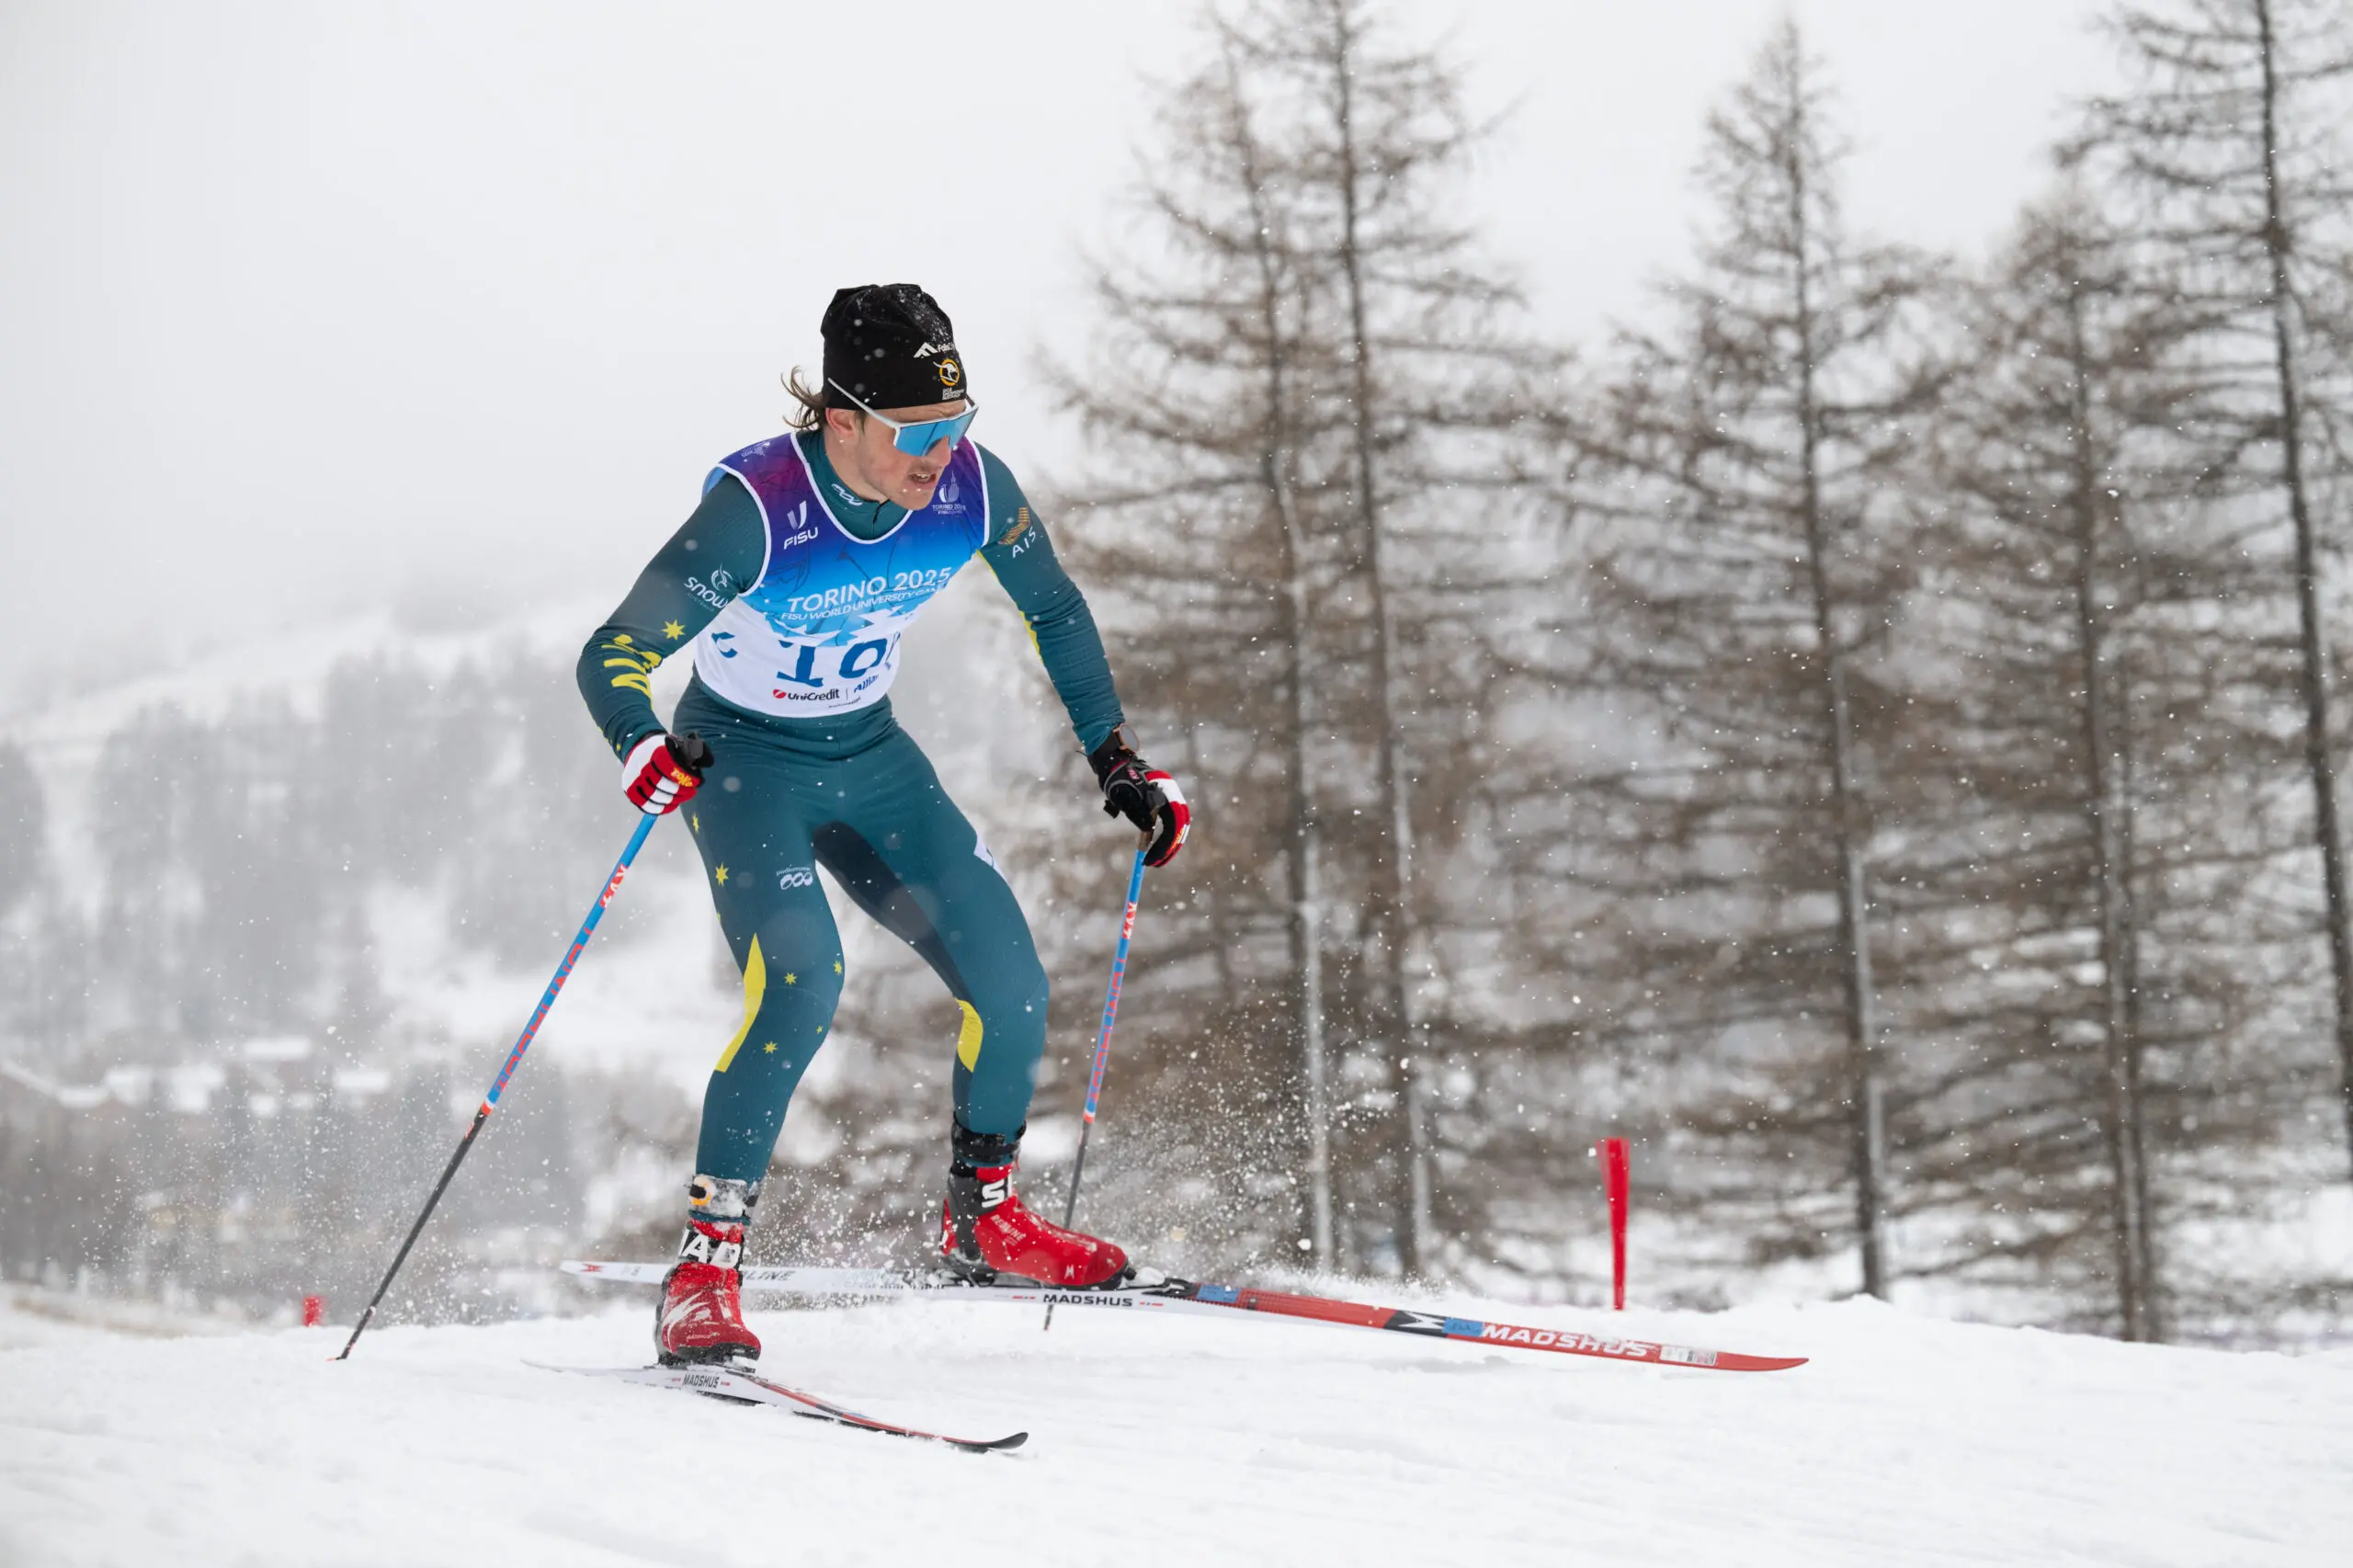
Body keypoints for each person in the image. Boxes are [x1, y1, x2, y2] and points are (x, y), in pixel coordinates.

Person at [574, 283, 1189, 1369]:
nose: (941, 455)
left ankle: (982, 1214)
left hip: (871, 758)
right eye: (916, 432)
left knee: (1011, 979)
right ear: (841, 419)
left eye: (959, 426)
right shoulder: (757, 507)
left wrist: (1117, 757)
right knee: (804, 978)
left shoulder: (971, 490)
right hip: (745, 764)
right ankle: (703, 1268)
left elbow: (1054, 607)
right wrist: (640, 741)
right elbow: (614, 651)